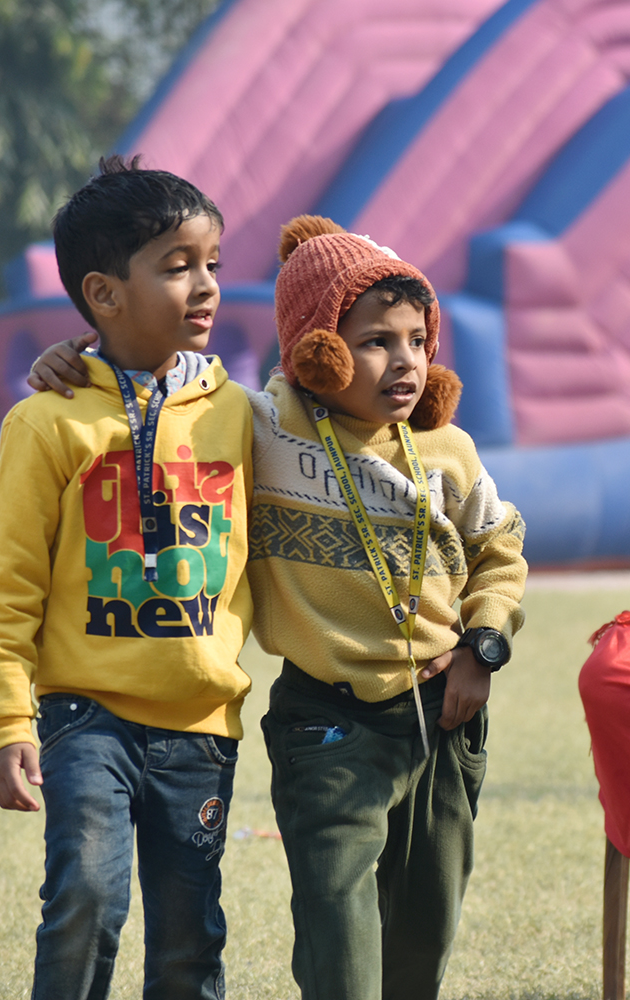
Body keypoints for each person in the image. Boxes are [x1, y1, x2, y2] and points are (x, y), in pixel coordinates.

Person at [28, 215, 529, 1000]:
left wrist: (484, 646)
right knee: (340, 940)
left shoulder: (450, 450)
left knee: (423, 938)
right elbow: (163, 386)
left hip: (444, 713)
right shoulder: (262, 426)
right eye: (375, 342)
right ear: (317, 353)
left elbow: (500, 549)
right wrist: (80, 357)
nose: (406, 361)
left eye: (417, 339)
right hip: (326, 724)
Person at [0, 157, 256, 998]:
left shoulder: (244, 414)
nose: (206, 285)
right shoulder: (47, 421)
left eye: (212, 263)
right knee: (86, 900)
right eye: (177, 266)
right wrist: (5, 722)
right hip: (84, 716)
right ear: (103, 293)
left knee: (190, 937)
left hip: (202, 725)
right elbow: (7, 586)